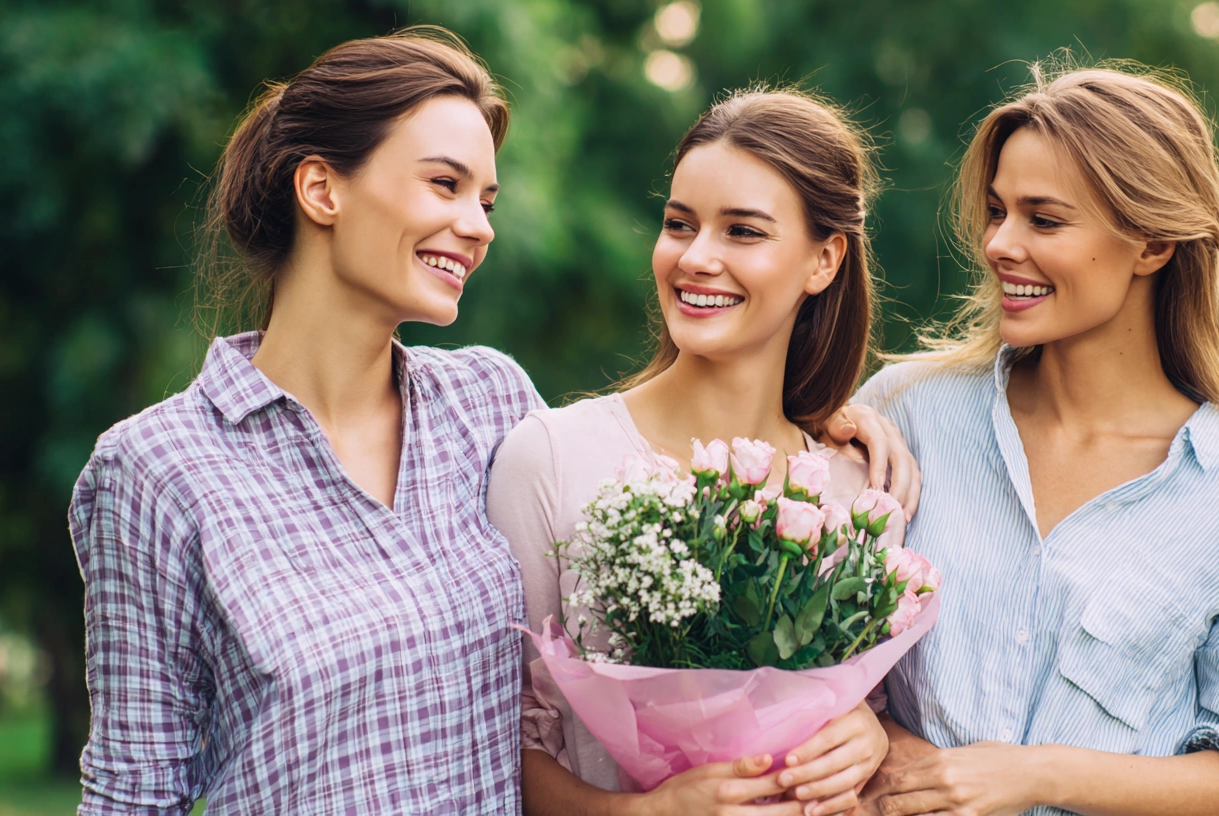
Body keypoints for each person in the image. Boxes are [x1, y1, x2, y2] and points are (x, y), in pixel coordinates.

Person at [68, 27, 915, 815]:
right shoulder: (155, 470)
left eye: (487, 199)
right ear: (322, 187)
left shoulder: (486, 404)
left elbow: (637, 458)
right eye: (444, 184)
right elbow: (132, 797)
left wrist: (816, 420)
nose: (477, 228)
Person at [852, 65, 1219, 816]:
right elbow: (804, 657)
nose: (999, 244)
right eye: (996, 211)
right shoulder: (903, 413)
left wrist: (1035, 775)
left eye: (1043, 220)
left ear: (1150, 245)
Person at [487, 89, 903, 816]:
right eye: (679, 225)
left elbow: (874, 733)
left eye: (743, 231)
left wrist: (871, 737)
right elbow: (496, 746)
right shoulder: (548, 457)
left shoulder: (858, 497)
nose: (697, 258)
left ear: (824, 260)